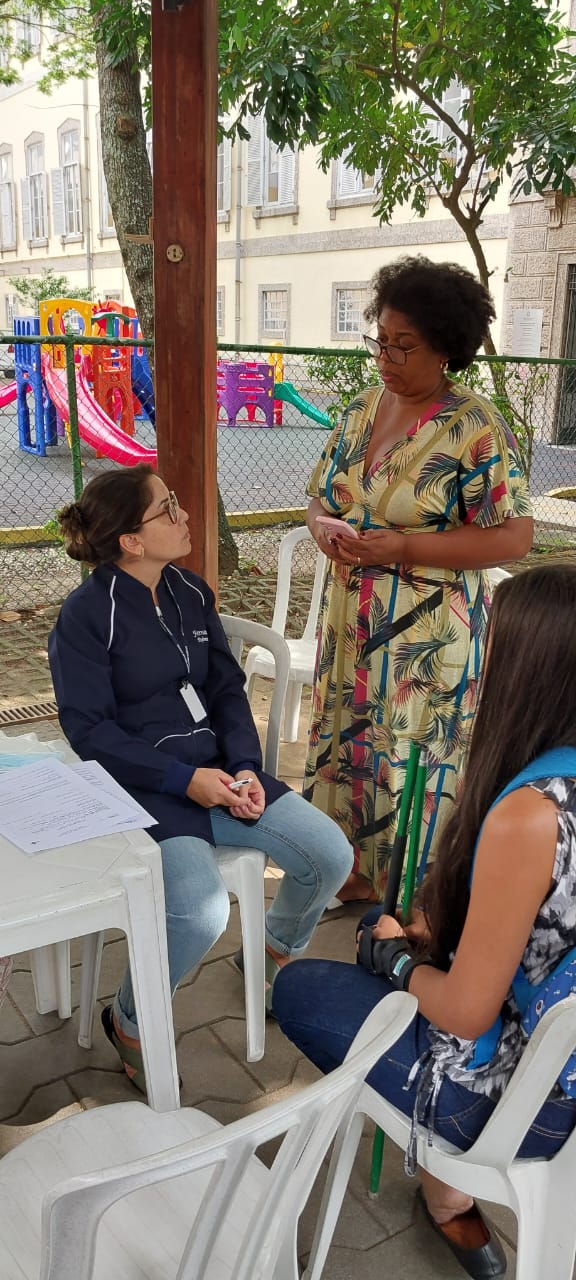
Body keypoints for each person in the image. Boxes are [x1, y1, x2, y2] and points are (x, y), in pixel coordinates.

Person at [273, 564, 576, 1279]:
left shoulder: (532, 815)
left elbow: (467, 1012)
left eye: (490, 644)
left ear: (528, 671)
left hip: (523, 1102)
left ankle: (446, 1178)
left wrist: (396, 962)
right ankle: (446, 1196)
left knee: (303, 987)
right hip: (560, 1061)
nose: (478, 665)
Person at [48, 466, 353, 1091]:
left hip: (220, 771)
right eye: (168, 508)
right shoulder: (86, 616)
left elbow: (225, 688)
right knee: (198, 911)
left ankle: (269, 954)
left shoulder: (189, 590)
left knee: (329, 856)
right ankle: (129, 1019)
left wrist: (243, 765)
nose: (185, 514)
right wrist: (184, 780)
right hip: (146, 787)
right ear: (131, 540)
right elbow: (90, 731)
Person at [305, 255, 533, 903]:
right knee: (350, 742)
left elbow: (514, 536)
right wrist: (322, 527)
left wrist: (405, 545)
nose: (385, 357)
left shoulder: (475, 427)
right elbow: (319, 497)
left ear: (445, 348)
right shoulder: (360, 410)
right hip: (351, 621)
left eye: (403, 345)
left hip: (425, 637)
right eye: (380, 339)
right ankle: (349, 871)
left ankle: (409, 899)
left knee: (412, 758)